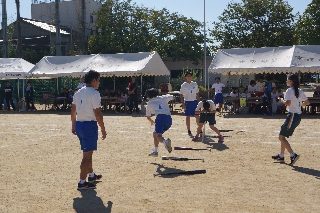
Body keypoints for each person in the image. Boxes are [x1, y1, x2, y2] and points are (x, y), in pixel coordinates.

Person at [71, 70, 106, 190]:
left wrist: (73, 124)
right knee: (86, 155)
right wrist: (103, 129)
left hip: (80, 124)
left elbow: (73, 110)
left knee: (88, 152)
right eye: (99, 80)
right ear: (94, 80)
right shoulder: (94, 93)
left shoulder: (78, 92)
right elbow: (98, 113)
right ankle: (82, 182)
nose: (99, 83)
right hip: (89, 125)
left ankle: (91, 176)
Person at [272, 74, 310, 166]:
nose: (286, 81)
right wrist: (300, 105)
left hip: (292, 115)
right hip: (297, 116)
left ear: (291, 81)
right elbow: (307, 102)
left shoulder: (289, 90)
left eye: (287, 80)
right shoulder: (299, 90)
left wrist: (281, 100)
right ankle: (281, 155)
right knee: (283, 135)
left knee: (281, 137)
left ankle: (293, 154)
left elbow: (288, 103)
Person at [145, 88, 173, 157]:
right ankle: (155, 151)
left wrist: (152, 121)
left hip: (160, 118)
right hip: (169, 119)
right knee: (155, 134)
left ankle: (165, 142)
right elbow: (172, 97)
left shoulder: (149, 103)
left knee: (158, 136)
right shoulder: (163, 98)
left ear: (149, 96)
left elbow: (148, 116)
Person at [179, 71, 200, 136]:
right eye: (188, 76)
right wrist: (183, 104)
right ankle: (188, 130)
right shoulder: (183, 85)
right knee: (188, 116)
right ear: (185, 77)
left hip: (194, 102)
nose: (189, 77)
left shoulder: (195, 84)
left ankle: (200, 128)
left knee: (197, 116)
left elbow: (197, 94)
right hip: (187, 102)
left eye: (190, 76)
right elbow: (181, 95)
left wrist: (199, 103)